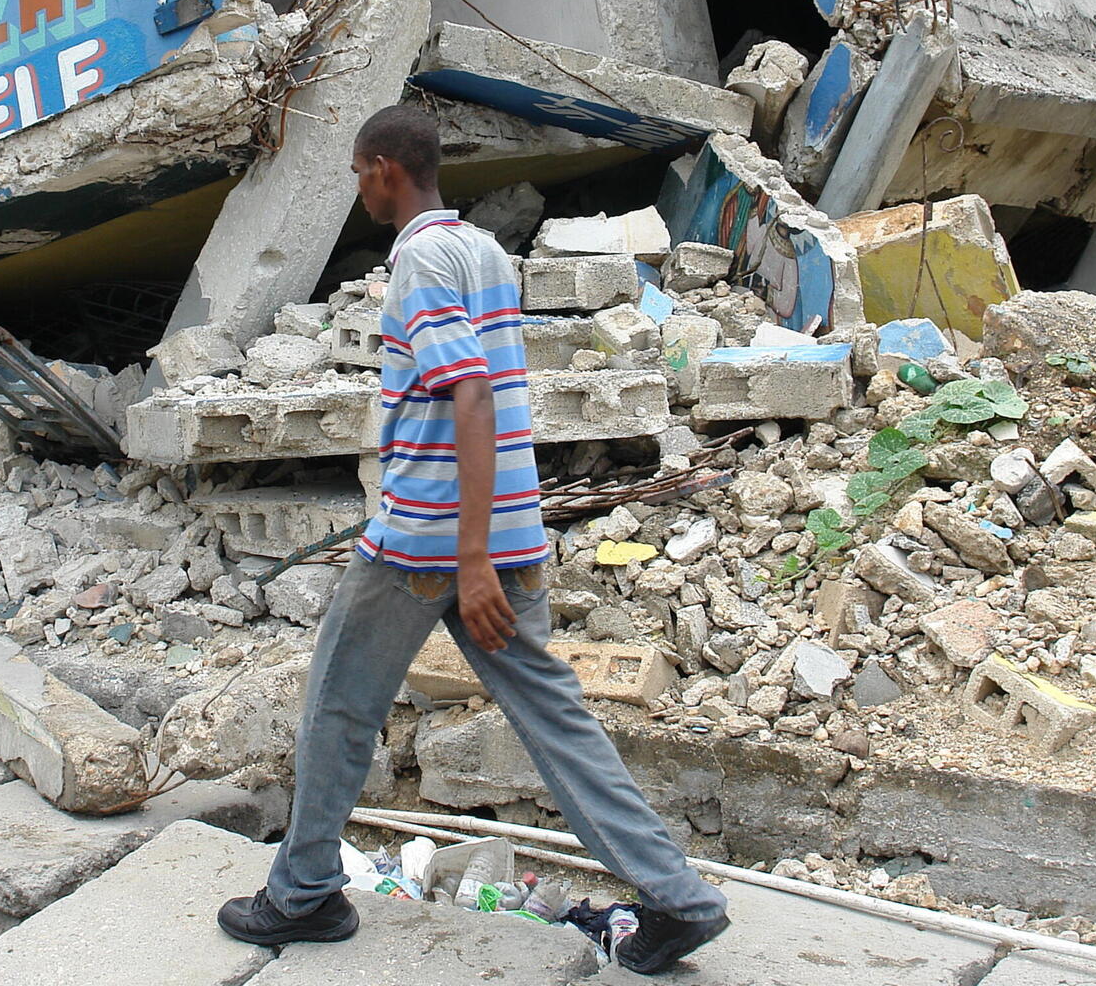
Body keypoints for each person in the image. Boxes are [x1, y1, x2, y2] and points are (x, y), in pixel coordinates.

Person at [216, 107, 731, 974]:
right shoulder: (486, 253)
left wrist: (471, 561)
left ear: (384, 169)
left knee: (339, 708)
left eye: (357, 172)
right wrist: (493, 548)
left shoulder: (419, 259)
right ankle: (680, 901)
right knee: (554, 718)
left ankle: (302, 895)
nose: (358, 188)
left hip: (425, 544)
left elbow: (473, 399)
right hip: (508, 530)